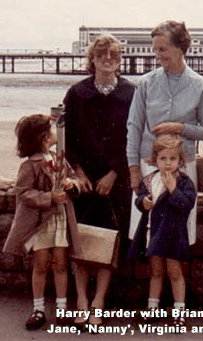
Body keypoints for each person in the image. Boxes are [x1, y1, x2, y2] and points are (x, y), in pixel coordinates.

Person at [63, 35, 135, 327]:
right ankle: (81, 298)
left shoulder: (132, 92)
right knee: (80, 241)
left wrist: (115, 172)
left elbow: (135, 137)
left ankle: (99, 301)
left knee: (110, 241)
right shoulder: (77, 93)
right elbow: (66, 137)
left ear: (120, 60)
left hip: (115, 178)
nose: (108, 59)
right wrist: (78, 171)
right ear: (91, 59)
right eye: (102, 54)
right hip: (84, 180)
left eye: (114, 54)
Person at [127, 20, 203, 248]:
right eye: (155, 49)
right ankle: (153, 283)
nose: (157, 55)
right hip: (149, 166)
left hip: (183, 169)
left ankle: (176, 283)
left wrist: (179, 128)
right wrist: (134, 169)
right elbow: (134, 126)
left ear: (180, 47)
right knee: (147, 233)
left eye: (162, 49)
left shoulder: (201, 86)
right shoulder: (146, 82)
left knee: (179, 233)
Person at [2, 114, 80, 330]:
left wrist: (72, 185)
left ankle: (62, 308)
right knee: (41, 264)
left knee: (61, 263)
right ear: (44, 137)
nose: (56, 133)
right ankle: (38, 309)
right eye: (51, 130)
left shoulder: (58, 158)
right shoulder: (30, 165)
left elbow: (72, 177)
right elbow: (24, 192)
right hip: (41, 222)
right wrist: (49, 198)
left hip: (60, 218)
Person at [129, 134, 196, 326]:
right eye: (163, 158)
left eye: (173, 158)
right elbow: (139, 198)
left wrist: (173, 189)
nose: (168, 163)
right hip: (154, 233)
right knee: (155, 271)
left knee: (175, 272)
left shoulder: (184, 182)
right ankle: (152, 308)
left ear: (180, 160)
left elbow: (186, 204)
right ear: (155, 159)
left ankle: (179, 311)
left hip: (173, 235)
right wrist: (144, 202)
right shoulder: (150, 179)